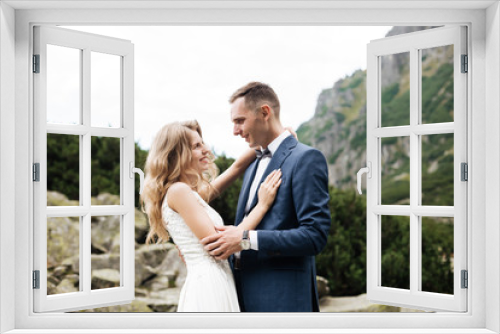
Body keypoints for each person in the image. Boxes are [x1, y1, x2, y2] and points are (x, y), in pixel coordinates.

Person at [201, 82, 332, 312]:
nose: (235, 130)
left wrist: (246, 239)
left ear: (264, 112)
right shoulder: (252, 163)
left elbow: (315, 236)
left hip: (282, 299)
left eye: (239, 121)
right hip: (238, 295)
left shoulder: (306, 159)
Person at [140, 120, 282, 312]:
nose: (206, 149)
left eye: (203, 143)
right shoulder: (179, 192)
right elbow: (221, 247)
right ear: (178, 155)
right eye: (197, 146)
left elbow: (237, 167)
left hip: (216, 281)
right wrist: (262, 205)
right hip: (208, 287)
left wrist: (276, 138)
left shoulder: (187, 193)